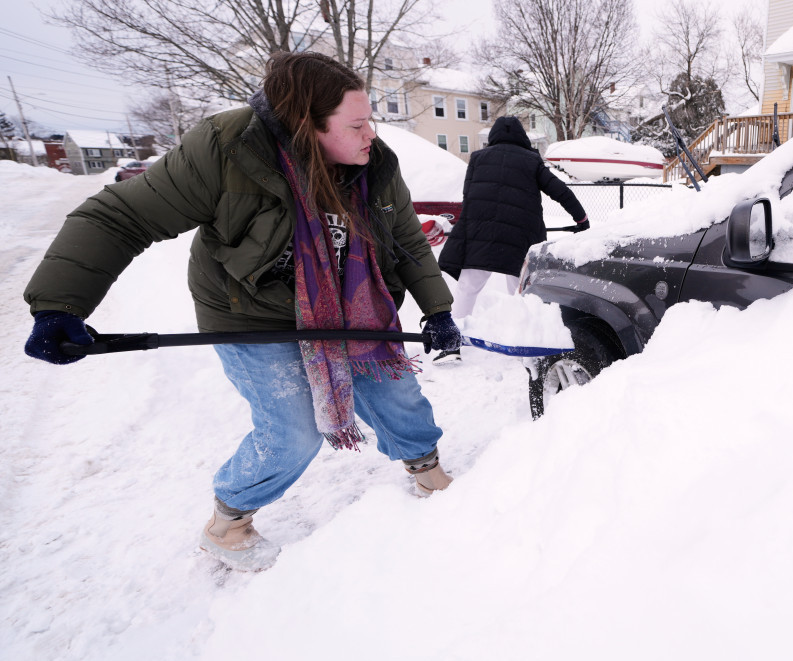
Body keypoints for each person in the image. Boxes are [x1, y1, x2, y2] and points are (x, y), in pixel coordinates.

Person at [22, 52, 462, 572]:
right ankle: (229, 523)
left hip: (349, 307)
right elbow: (122, 217)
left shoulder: (374, 165)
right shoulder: (227, 148)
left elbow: (406, 237)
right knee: (293, 429)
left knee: (394, 390)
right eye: (358, 124)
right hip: (250, 311)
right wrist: (58, 305)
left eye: (371, 121)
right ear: (306, 125)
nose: (371, 134)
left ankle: (428, 471)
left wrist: (437, 309)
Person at [435, 116, 588, 362]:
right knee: (519, 290)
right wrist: (581, 219)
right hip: (520, 237)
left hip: (480, 234)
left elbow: (468, 197)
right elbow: (560, 191)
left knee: (467, 288)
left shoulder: (477, 158)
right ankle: (524, 345)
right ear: (522, 137)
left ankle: (452, 344)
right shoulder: (532, 161)